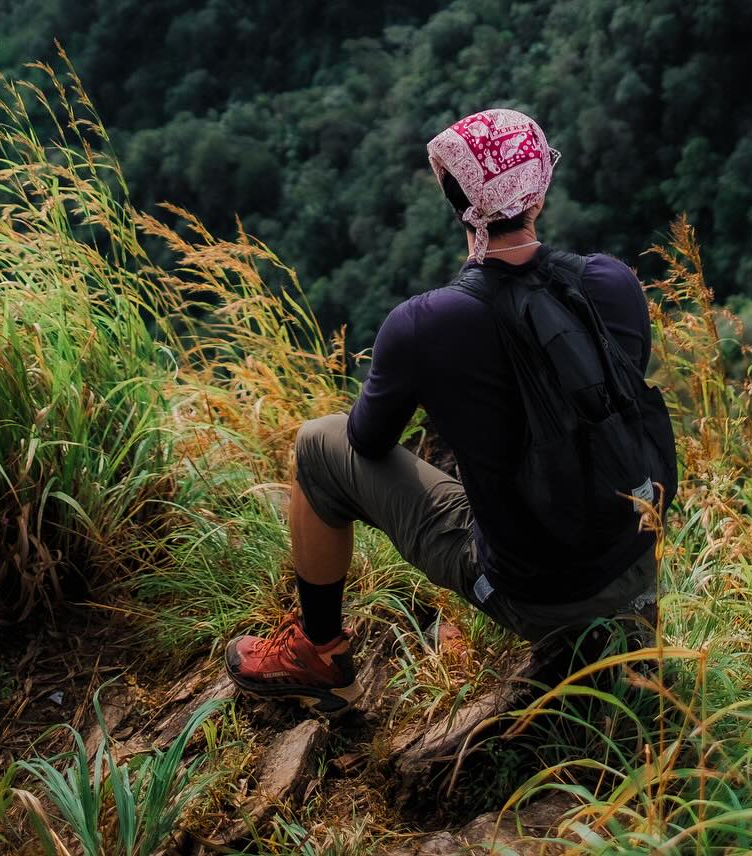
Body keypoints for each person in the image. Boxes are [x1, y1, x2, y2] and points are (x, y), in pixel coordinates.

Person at [225, 108, 661, 714]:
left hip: (535, 593)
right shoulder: (613, 282)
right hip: (634, 564)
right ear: (539, 188)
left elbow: (368, 440)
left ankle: (320, 653)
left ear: (455, 199)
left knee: (317, 446)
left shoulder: (423, 324)